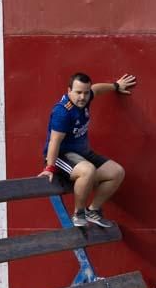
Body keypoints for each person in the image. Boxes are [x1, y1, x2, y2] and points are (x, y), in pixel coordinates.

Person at [39, 71, 135, 229]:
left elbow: (96, 89)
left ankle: (93, 210)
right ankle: (79, 213)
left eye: (85, 93)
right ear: (69, 90)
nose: (82, 97)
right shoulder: (62, 112)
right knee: (88, 170)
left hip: (82, 154)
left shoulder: (87, 97)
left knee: (116, 172)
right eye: (78, 93)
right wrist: (49, 167)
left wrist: (116, 86)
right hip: (62, 156)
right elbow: (54, 142)